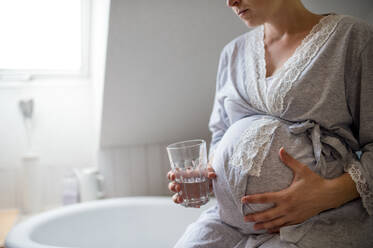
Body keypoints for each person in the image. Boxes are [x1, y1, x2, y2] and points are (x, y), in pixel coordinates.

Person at [167, 0, 373, 247]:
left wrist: (327, 194)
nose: (229, 2)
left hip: (320, 220)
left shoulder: (353, 40)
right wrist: (207, 174)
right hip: (228, 220)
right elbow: (220, 135)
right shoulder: (232, 54)